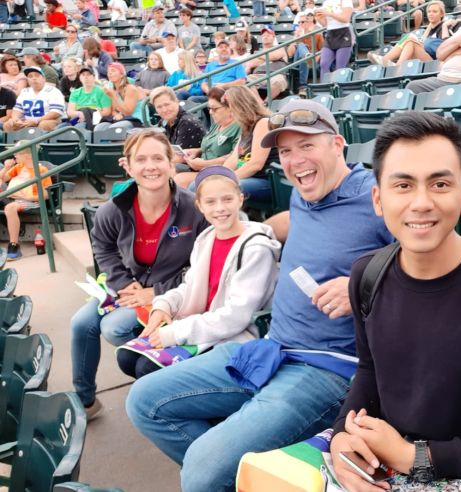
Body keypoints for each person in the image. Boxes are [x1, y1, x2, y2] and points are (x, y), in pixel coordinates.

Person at [125, 99, 394, 492]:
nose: (295, 160)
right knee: (144, 401)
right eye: (285, 151)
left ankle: (221, 471)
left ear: (337, 144)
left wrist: (364, 283)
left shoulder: (378, 197)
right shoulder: (305, 190)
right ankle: (244, 477)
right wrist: (261, 229)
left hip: (327, 368)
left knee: (202, 470)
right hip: (269, 350)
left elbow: (431, 272)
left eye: (306, 145)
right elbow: (305, 224)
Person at [329, 111, 461, 490]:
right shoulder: (367, 275)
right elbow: (369, 371)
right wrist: (343, 437)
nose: (421, 203)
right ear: (378, 199)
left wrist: (414, 457)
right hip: (386, 464)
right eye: (403, 185)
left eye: (440, 184)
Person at [71, 129, 209, 420]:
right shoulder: (115, 208)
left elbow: (205, 264)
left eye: (158, 158)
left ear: (172, 163)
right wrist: (123, 283)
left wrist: (157, 291)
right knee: (81, 322)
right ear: (127, 166)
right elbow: (103, 248)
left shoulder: (193, 208)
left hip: (171, 293)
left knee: (114, 328)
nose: (150, 166)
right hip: (128, 287)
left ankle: (153, 388)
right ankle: (85, 402)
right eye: (141, 159)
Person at [117, 166, 281, 379]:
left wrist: (176, 333)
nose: (220, 208)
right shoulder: (206, 238)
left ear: (240, 199)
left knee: (146, 369)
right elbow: (190, 286)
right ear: (200, 206)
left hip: (235, 336)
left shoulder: (256, 248)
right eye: (211, 202)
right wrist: (164, 305)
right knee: (127, 359)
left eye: (227, 199)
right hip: (203, 324)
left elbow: (236, 317)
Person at [174, 87, 241, 189]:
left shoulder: (238, 127)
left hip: (219, 172)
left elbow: (234, 156)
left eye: (214, 109)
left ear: (230, 108)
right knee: (169, 169)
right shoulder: (217, 124)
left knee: (179, 180)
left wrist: (205, 164)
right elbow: (210, 145)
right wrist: (197, 151)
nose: (210, 112)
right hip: (202, 167)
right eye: (209, 108)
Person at [221, 86, 276, 203]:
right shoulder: (245, 127)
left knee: (224, 189)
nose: (229, 113)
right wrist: (216, 177)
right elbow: (232, 161)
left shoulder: (263, 123)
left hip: (267, 181)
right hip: (249, 178)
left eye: (230, 108)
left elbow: (256, 164)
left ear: (241, 106)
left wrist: (226, 180)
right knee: (199, 185)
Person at [0, 141, 53, 261]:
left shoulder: (42, 170)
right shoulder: (18, 167)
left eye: (18, 153)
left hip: (31, 201)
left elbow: (45, 194)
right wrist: (6, 167)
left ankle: (14, 246)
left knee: (10, 208)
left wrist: (26, 198)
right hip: (13, 198)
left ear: (28, 155)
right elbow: (2, 179)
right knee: (8, 204)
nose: (14, 155)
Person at [367, 1, 449, 67]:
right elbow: (423, 40)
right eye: (429, 11)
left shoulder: (443, 27)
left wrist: (445, 26)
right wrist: (429, 27)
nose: (431, 14)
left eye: (434, 12)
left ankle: (396, 66)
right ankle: (385, 60)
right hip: (424, 56)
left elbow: (446, 47)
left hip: (434, 62)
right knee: (408, 37)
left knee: (411, 41)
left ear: (441, 14)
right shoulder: (430, 28)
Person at [149, 87, 206, 165]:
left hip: (191, 168)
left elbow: (179, 158)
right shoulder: (164, 121)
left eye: (167, 104)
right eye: (159, 107)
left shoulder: (187, 122)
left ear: (176, 101)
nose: (164, 110)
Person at [3, 67, 64, 132]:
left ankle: (40, 142)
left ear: (43, 78)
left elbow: (56, 112)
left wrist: (36, 121)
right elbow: (17, 109)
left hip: (47, 121)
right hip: (26, 121)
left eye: (37, 75)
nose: (34, 78)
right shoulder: (25, 91)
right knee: (9, 124)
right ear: (28, 80)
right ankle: (16, 142)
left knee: (44, 125)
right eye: (30, 76)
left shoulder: (53, 91)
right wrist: (16, 119)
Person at [245, 27, 290, 99]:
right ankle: (259, 103)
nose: (265, 37)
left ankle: (266, 103)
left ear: (273, 37)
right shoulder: (257, 52)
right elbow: (251, 64)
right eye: (264, 36)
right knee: (245, 81)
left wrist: (259, 57)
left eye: (268, 35)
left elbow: (274, 56)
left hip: (276, 74)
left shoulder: (279, 48)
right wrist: (265, 57)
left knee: (278, 82)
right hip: (258, 75)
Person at [315, 0, 354, 78]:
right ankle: (325, 87)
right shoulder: (326, 2)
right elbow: (325, 24)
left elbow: (346, 19)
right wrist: (318, 17)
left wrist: (329, 14)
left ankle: (338, 87)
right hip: (330, 34)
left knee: (340, 67)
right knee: (324, 64)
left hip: (343, 33)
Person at [67, 65, 112, 131]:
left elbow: (107, 111)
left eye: (88, 75)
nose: (86, 77)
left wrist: (89, 115)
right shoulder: (75, 93)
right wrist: (80, 114)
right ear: (80, 78)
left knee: (79, 128)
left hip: (97, 120)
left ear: (94, 77)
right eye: (83, 75)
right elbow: (70, 111)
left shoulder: (102, 91)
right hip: (79, 119)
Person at [101, 62, 146, 128]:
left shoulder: (130, 88)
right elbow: (114, 110)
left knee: (114, 128)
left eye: (113, 71)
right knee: (100, 127)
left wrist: (114, 96)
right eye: (108, 71)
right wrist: (117, 114)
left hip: (137, 120)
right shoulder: (112, 89)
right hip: (124, 119)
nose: (109, 73)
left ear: (122, 74)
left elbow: (128, 112)